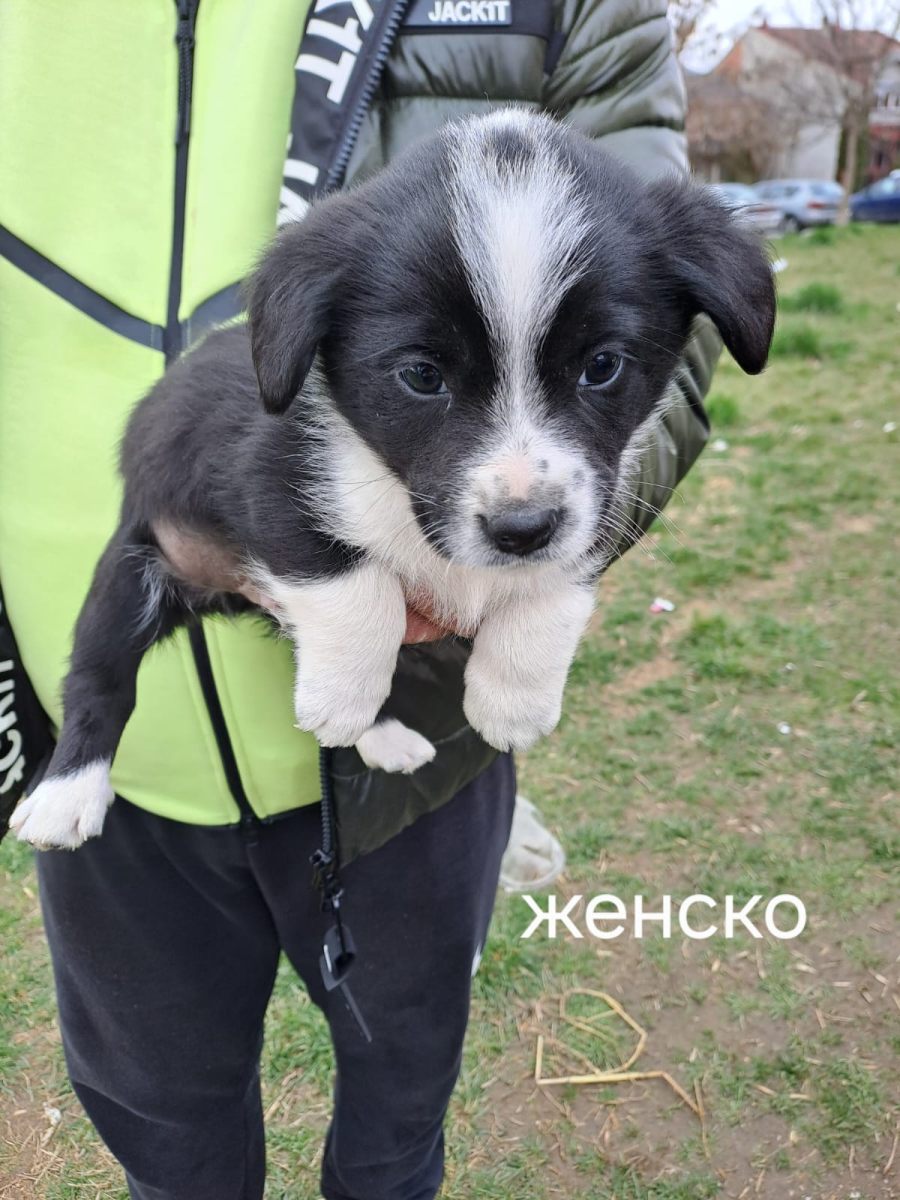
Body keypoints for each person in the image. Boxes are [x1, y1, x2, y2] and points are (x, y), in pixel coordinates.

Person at [0, 2, 719, 1197]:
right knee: (163, 1129)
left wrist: (538, 587)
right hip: (117, 767)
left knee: (398, 1108)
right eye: (427, 375)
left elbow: (671, 338)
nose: (520, 486)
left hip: (409, 783)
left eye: (596, 369)